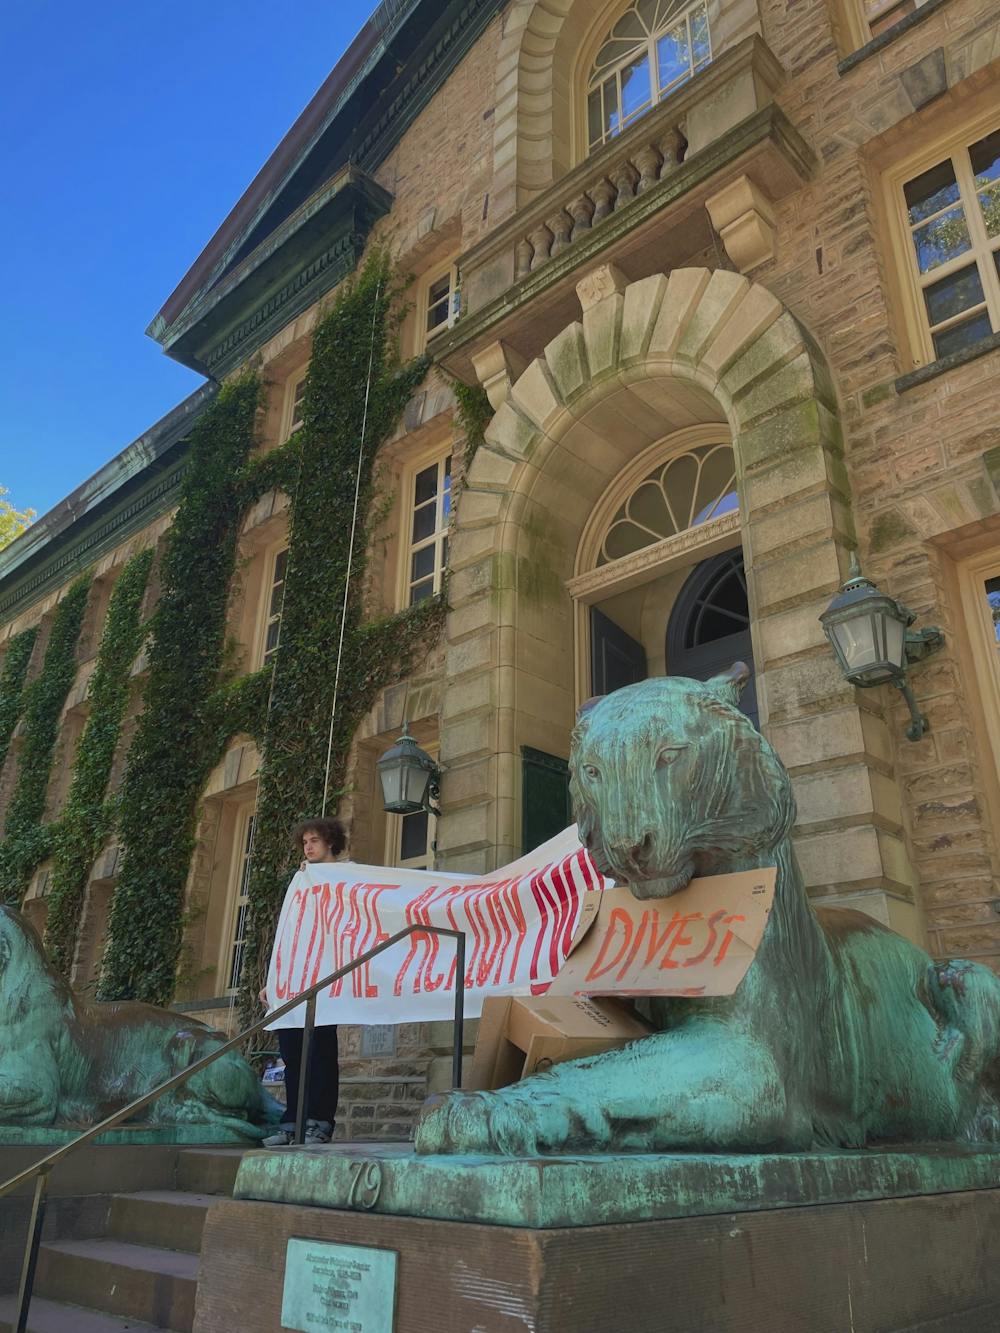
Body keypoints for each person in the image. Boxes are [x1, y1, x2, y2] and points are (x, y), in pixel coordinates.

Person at [260, 817, 344, 1147]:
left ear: (330, 843)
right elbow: (287, 933)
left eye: (315, 841)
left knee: (321, 1051)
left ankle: (320, 1121)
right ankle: (292, 1121)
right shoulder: (300, 882)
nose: (308, 847)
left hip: (324, 979)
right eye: (305, 842)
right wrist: (273, 979)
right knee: (293, 1052)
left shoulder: (345, 878)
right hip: (293, 980)